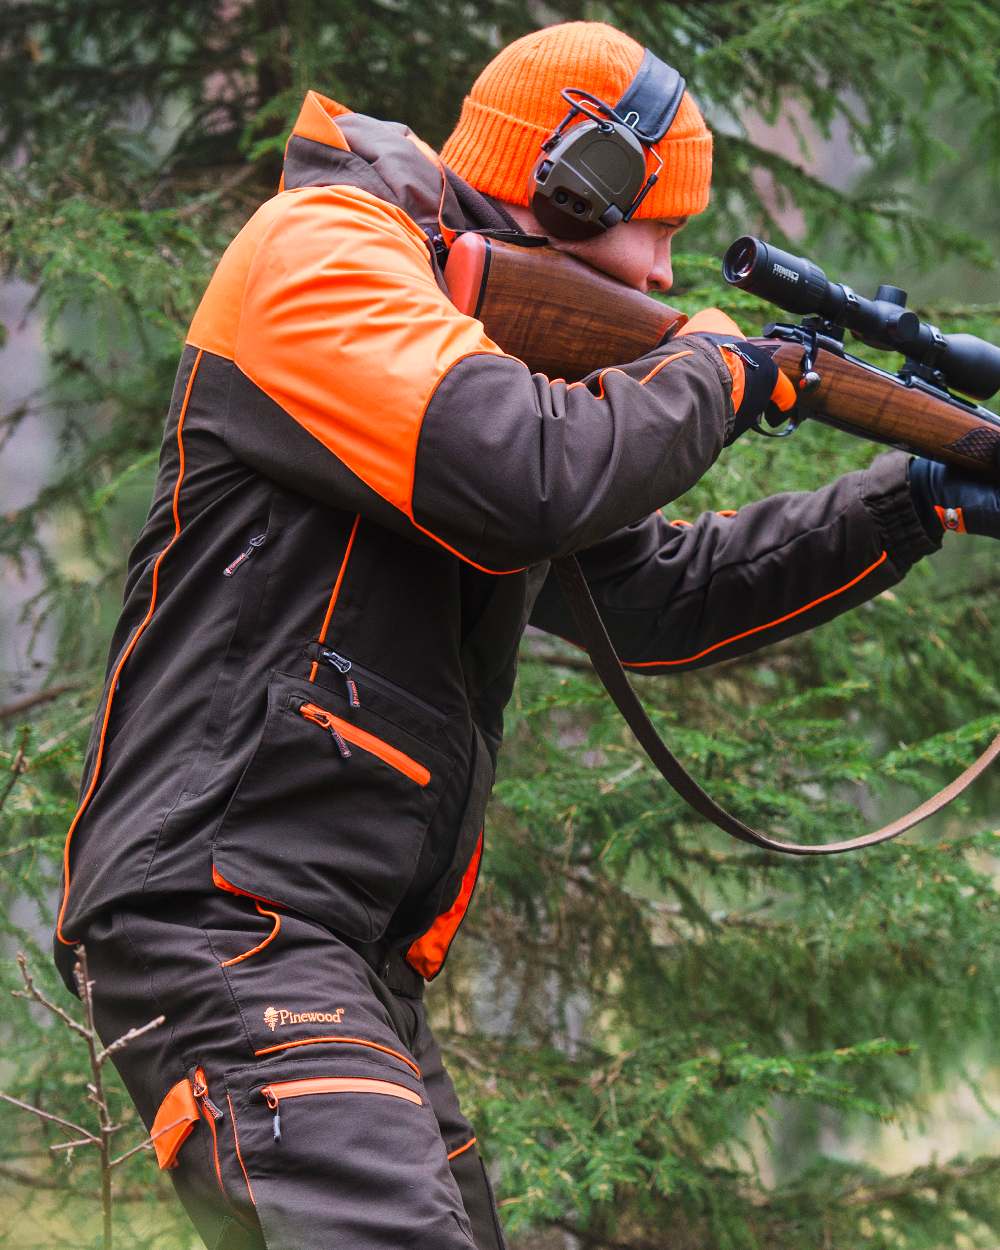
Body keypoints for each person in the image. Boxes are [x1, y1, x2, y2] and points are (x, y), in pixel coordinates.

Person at [51, 20, 998, 1250]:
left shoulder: (468, 353)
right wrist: (725, 372)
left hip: (336, 950)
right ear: (568, 178)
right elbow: (528, 474)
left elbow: (655, 594)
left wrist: (915, 497)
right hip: (227, 912)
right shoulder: (320, 256)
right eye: (651, 224)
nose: (663, 273)